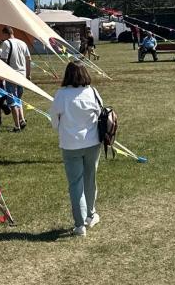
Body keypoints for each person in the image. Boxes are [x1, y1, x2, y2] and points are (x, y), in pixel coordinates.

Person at [49, 62, 102, 237]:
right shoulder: (92, 92)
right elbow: (100, 114)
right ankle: (90, 214)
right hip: (92, 142)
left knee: (75, 184)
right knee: (90, 179)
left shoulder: (61, 95)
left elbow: (54, 122)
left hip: (70, 144)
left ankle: (80, 225)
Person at [0, 26, 31, 132]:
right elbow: (28, 59)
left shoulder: (6, 43)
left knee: (12, 101)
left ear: (5, 34)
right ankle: (22, 120)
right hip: (22, 75)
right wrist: (28, 75)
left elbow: (4, 60)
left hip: (12, 75)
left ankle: (17, 126)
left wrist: (1, 76)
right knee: (18, 99)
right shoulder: (23, 43)